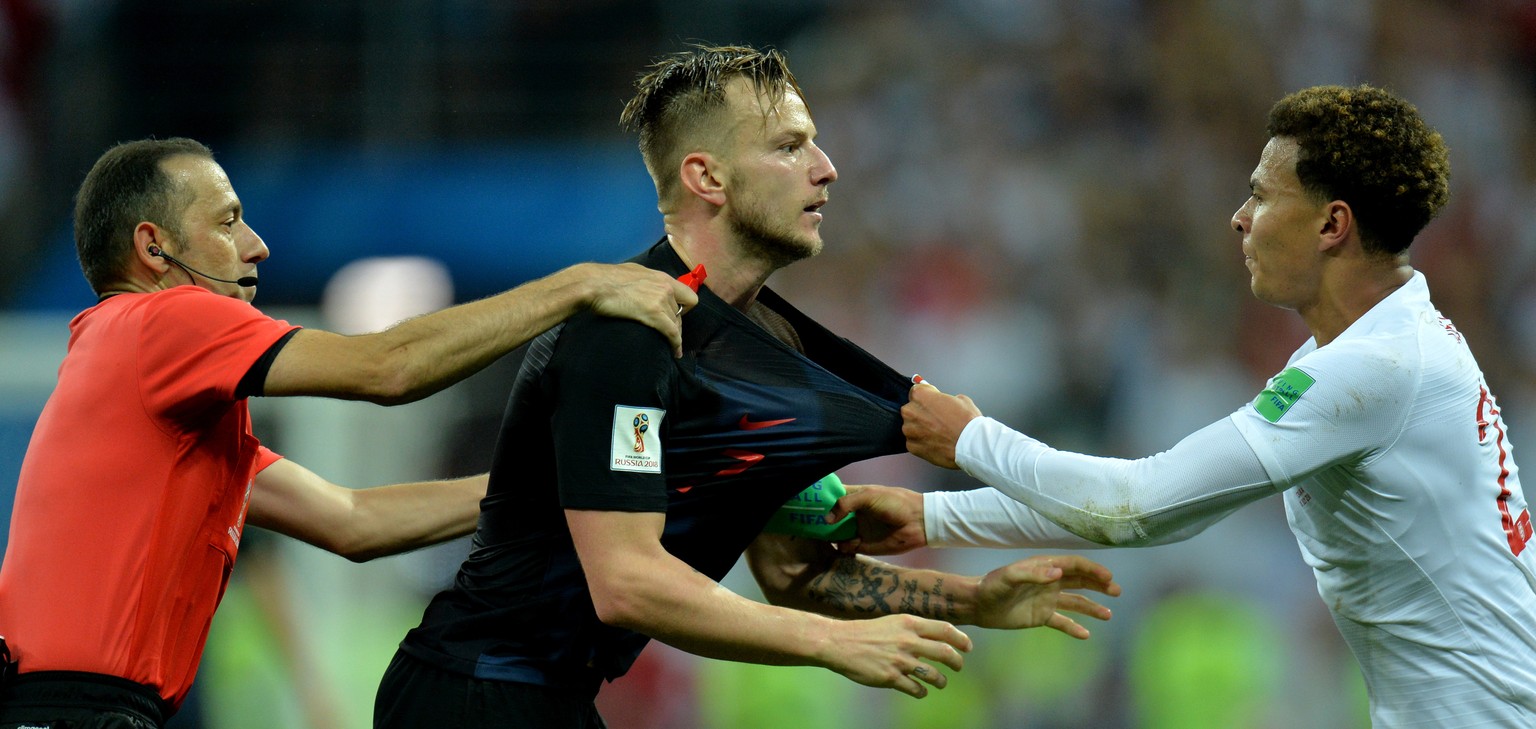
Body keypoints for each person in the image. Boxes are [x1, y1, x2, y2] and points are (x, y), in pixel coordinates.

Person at [373, 44, 1120, 729]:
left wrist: (975, 599)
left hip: (550, 699)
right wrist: (830, 644)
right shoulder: (627, 334)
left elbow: (791, 571)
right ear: (707, 177)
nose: (826, 167)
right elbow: (627, 582)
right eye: (790, 146)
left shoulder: (771, 351)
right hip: (470, 693)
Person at [833, 84, 1536, 727]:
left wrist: (971, 440)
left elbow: (1139, 506)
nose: (1240, 218)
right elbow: (1167, 501)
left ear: (1332, 224)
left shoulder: (1376, 368)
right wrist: (932, 515)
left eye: (1262, 196)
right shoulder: (1358, 355)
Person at [0, 136, 700, 728]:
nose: (258, 244)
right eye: (228, 221)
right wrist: (580, 285)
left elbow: (353, 520)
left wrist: (557, 478)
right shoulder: (163, 323)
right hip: (78, 710)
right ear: (153, 247)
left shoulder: (156, 393)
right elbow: (386, 368)